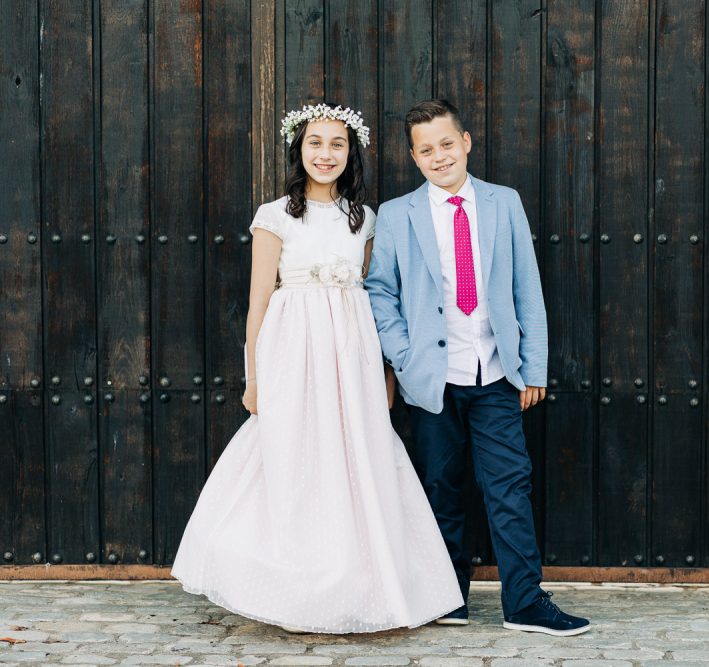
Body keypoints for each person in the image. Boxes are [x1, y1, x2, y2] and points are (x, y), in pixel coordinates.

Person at [171, 103, 463, 634]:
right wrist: (254, 377)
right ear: (298, 149)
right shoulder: (275, 215)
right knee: (294, 456)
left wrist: (386, 374)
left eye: (337, 144)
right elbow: (259, 301)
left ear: (351, 153)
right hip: (293, 349)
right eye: (315, 143)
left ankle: (359, 586)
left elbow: (377, 297)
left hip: (351, 352)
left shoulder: (364, 218)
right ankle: (294, 588)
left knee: (355, 459)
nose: (325, 154)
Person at [366, 99, 591, 636]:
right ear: (414, 157)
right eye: (426, 150)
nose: (439, 156)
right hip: (431, 379)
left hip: (495, 374)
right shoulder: (398, 214)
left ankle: (525, 602)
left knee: (509, 486)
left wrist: (533, 368)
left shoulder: (502, 202)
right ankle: (448, 598)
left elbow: (526, 286)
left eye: (447, 144)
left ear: (466, 142)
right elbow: (380, 292)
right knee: (440, 487)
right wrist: (405, 357)